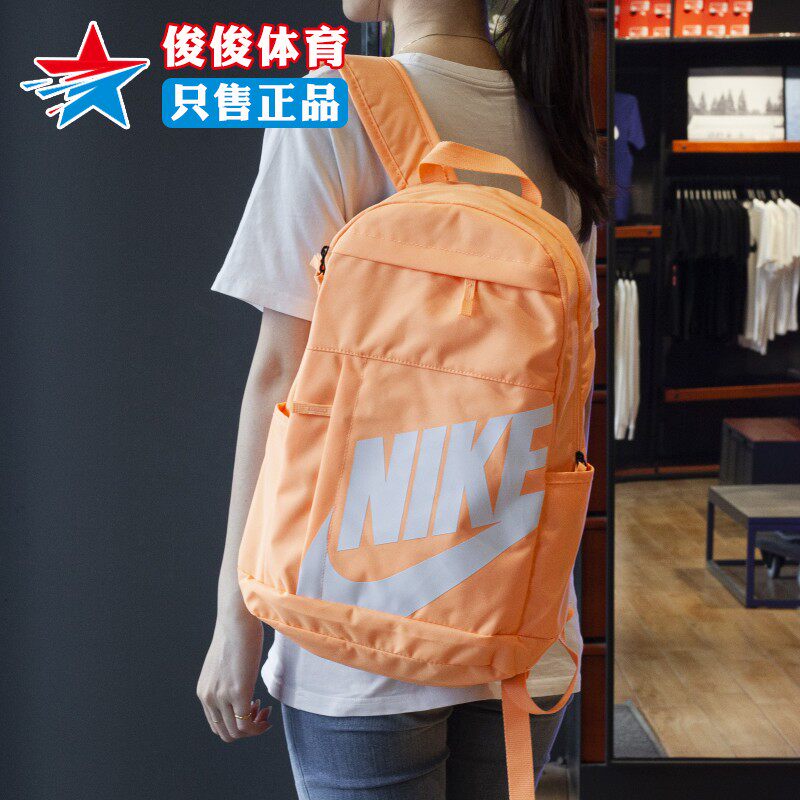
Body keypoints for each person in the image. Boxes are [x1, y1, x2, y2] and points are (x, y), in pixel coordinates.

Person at [197, 1, 606, 797]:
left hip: (360, 641)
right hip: (525, 628)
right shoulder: (556, 123)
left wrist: (234, 620)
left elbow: (279, 374)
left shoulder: (332, 101)